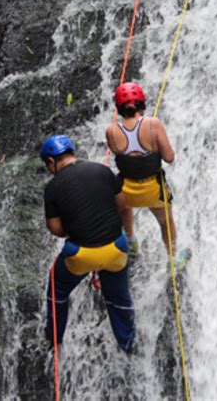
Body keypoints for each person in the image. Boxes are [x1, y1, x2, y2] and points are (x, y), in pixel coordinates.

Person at [41, 134, 135, 352]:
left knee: (58, 290)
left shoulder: (52, 187)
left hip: (80, 254)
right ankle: (128, 344)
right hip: (116, 249)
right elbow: (123, 204)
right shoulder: (101, 170)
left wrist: (75, 225)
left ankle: (54, 340)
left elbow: (56, 229)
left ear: (51, 161)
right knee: (119, 299)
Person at [105, 82, 190, 267]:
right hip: (152, 190)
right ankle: (173, 258)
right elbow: (169, 157)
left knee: (125, 207)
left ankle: (130, 240)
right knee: (165, 222)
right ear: (142, 104)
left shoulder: (111, 131)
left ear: (119, 108)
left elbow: (121, 156)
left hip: (126, 192)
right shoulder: (153, 124)